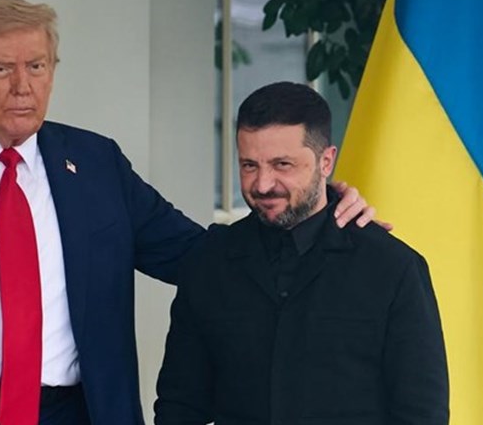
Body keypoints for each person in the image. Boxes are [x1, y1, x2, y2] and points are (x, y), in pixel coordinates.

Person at [0, 0, 376, 425]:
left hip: (78, 413)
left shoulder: (95, 162)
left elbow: (203, 256)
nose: (23, 87)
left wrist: (317, 209)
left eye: (37, 66)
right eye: (1, 70)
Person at [155, 82, 449, 425]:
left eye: (282, 165)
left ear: (326, 161)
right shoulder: (208, 263)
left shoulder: (393, 268)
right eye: (249, 165)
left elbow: (421, 414)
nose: (263, 184)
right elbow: (180, 405)